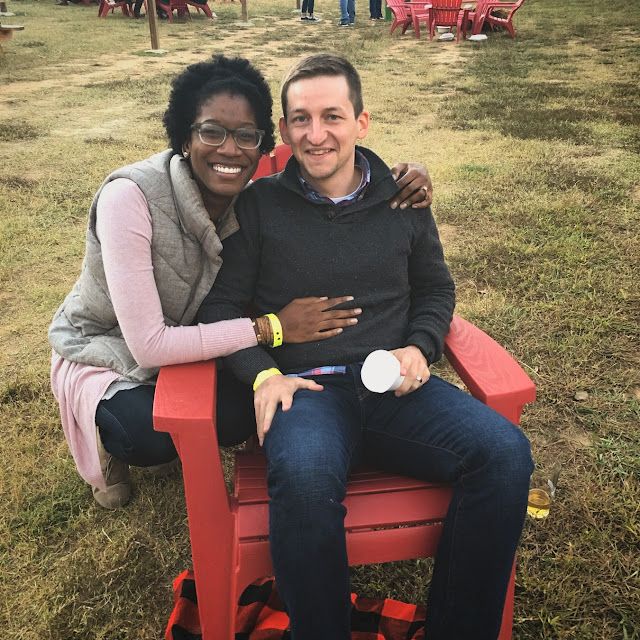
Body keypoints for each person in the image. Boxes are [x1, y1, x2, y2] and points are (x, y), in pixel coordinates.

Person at [197, 53, 534, 640]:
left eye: (332, 116)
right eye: (300, 119)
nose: (316, 134)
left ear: (361, 122)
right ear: (284, 131)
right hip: (306, 392)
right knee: (304, 484)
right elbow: (220, 310)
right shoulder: (259, 206)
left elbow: (435, 289)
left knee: (505, 454)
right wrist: (262, 375)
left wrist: (420, 349)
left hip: (396, 388)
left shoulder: (402, 198)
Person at [48, 55, 434, 511]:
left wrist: (402, 177)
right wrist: (273, 328)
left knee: (238, 419)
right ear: (185, 137)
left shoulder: (247, 200)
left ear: (264, 144)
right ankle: (107, 437)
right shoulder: (129, 199)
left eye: (246, 136)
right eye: (212, 132)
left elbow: (329, 179)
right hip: (112, 344)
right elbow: (148, 346)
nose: (230, 150)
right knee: (149, 435)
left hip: (197, 339)